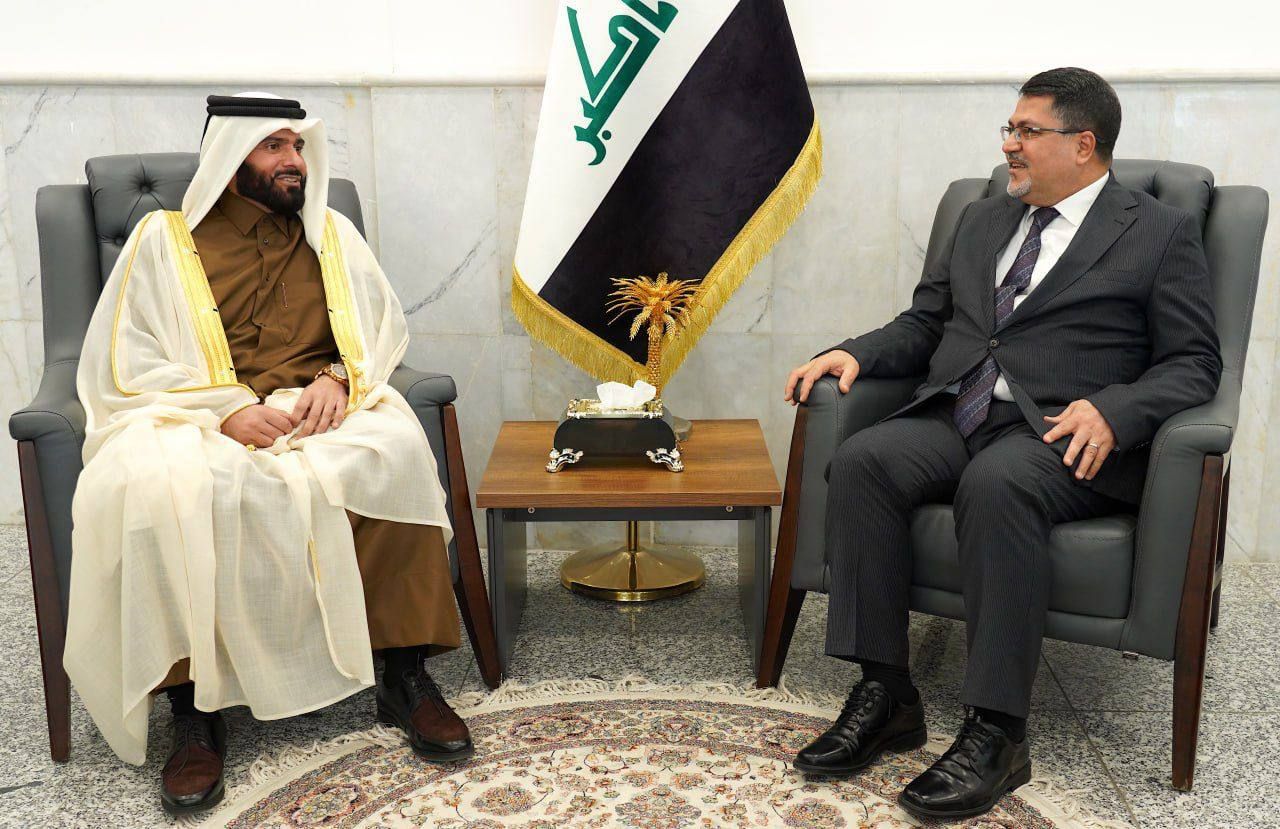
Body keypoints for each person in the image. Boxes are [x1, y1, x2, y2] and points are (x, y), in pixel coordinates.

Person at [782, 67, 1220, 820]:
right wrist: (854, 351)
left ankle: (997, 731)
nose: (1009, 145)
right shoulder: (984, 218)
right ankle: (887, 693)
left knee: (998, 480)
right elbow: (927, 323)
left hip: (1059, 433)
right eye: (1009, 130)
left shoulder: (1158, 231)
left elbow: (1195, 361)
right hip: (961, 412)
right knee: (864, 460)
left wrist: (1116, 410)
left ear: (1083, 145)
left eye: (1027, 131)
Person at [69, 93, 472, 816]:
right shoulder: (165, 239)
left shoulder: (330, 233)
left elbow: (378, 328)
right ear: (231, 161)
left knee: (393, 450)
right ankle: (193, 710)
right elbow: (127, 354)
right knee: (163, 484)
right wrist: (224, 409)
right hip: (201, 414)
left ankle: (403, 674)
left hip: (316, 407)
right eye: (274, 147)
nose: (294, 161)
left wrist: (340, 377)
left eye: (297, 146)